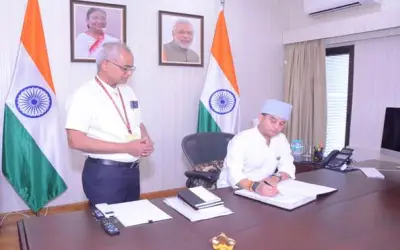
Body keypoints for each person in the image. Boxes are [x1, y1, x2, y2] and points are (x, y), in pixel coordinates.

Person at [65, 42, 154, 206]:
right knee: (107, 227)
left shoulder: (127, 91)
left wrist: (145, 138)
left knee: (132, 223)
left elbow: (136, 122)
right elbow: (75, 140)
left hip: (132, 171)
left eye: (131, 69)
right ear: (105, 64)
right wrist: (128, 147)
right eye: (125, 68)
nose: (129, 74)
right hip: (105, 174)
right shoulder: (84, 95)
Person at [217, 99, 296, 196]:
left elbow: (287, 167)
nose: (276, 127)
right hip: (232, 190)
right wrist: (256, 187)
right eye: (273, 121)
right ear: (261, 118)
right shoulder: (241, 139)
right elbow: (234, 175)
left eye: (281, 123)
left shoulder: (281, 139)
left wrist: (274, 178)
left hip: (265, 187)